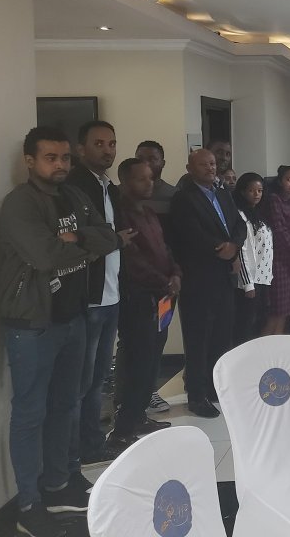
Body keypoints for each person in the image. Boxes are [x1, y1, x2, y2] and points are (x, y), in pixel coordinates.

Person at [0, 127, 121, 535]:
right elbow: (45, 255)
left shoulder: (74, 195)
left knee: (66, 404)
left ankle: (59, 484)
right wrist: (84, 246)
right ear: (29, 160)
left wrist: (78, 237)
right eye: (50, 157)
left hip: (73, 316)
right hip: (33, 323)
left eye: (65, 157)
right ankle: (28, 504)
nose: (60, 164)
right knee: (30, 413)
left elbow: (109, 237)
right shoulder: (20, 203)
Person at [66, 120, 131, 466]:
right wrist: (111, 238)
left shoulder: (108, 186)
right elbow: (89, 238)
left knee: (97, 379)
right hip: (89, 297)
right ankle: (77, 451)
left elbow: (112, 236)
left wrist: (110, 238)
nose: (108, 150)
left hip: (111, 293)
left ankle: (92, 444)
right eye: (99, 143)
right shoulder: (75, 186)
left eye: (112, 143)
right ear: (81, 149)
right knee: (82, 382)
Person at [170, 148, 247, 418]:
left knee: (221, 334)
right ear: (190, 168)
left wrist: (234, 245)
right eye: (203, 164)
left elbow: (239, 225)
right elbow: (190, 234)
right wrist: (221, 248)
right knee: (198, 337)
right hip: (198, 276)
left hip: (224, 275)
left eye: (213, 164)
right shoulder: (183, 198)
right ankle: (197, 394)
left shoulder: (222, 193)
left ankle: (216, 388)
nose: (210, 168)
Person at [110, 158, 180, 451]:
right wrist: (164, 281)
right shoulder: (122, 215)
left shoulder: (149, 213)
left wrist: (175, 273)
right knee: (138, 363)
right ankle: (122, 430)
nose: (149, 183)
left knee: (152, 360)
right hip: (139, 298)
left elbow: (164, 250)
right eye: (141, 179)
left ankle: (139, 417)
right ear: (125, 182)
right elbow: (133, 262)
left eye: (150, 178)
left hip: (162, 298)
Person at [134, 139, 177, 414]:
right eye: (142, 158)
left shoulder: (173, 195)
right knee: (135, 341)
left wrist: (174, 274)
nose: (148, 164)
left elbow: (175, 241)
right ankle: (129, 399)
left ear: (163, 163)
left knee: (160, 334)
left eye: (153, 159)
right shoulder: (125, 196)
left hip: (166, 284)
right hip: (137, 284)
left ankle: (149, 390)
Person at [232, 172, 273, 344]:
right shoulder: (241, 216)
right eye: (251, 190)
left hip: (262, 278)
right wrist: (248, 284)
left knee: (258, 323)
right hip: (250, 281)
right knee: (245, 326)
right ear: (242, 192)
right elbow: (243, 251)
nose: (257, 194)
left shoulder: (258, 214)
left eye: (260, 190)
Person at [264, 166, 290, 336]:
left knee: (286, 310)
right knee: (277, 310)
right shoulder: (275, 200)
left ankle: (277, 346)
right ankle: (263, 347)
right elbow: (279, 231)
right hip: (278, 259)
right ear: (280, 181)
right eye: (289, 179)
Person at [135, 140, 177, 222]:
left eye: (152, 159)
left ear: (163, 163)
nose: (145, 163)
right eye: (140, 159)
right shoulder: (120, 192)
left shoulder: (175, 195)